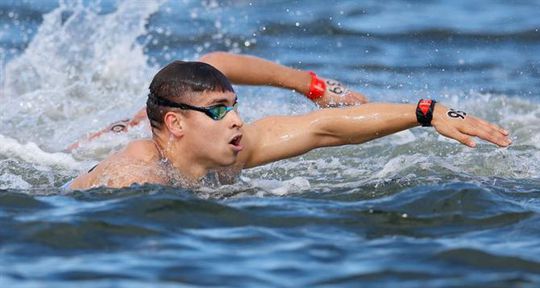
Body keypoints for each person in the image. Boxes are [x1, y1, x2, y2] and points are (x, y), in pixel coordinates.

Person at [66, 59, 511, 191]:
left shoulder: (229, 153)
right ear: (176, 124)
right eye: (220, 110)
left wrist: (426, 112)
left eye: (235, 105)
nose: (237, 118)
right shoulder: (136, 176)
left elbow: (324, 129)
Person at [66, 52, 367, 150]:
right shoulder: (135, 147)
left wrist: (312, 86)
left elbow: (211, 63)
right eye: (219, 111)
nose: (235, 119)